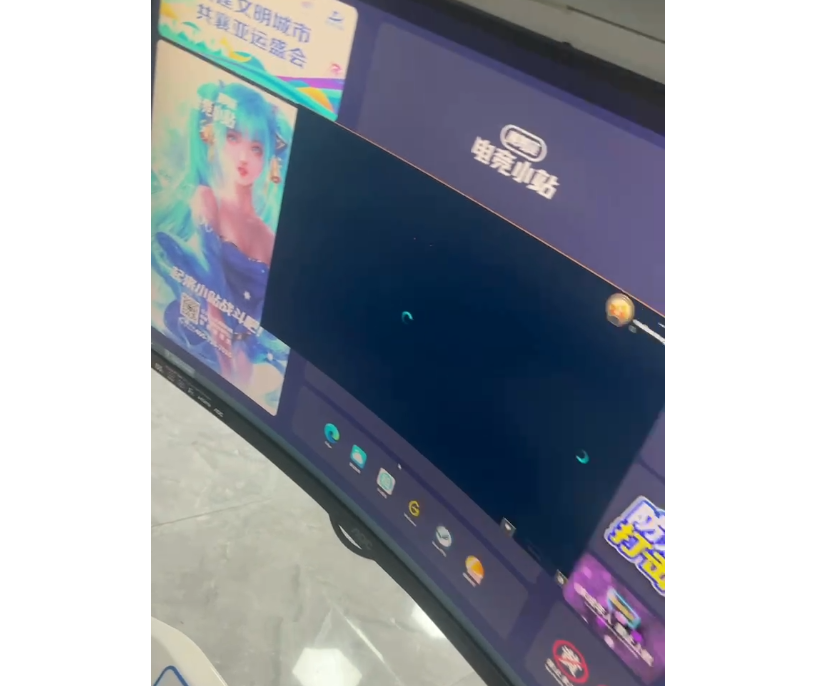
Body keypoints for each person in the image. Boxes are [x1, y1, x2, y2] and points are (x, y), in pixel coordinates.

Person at [152, 79, 292, 395]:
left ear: (268, 158)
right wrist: (228, 366)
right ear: (214, 137)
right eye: (233, 137)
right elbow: (210, 287)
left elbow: (257, 320)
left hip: (245, 364)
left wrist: (239, 373)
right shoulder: (206, 200)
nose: (244, 157)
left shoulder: (271, 239)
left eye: (256, 148)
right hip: (196, 344)